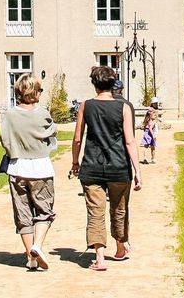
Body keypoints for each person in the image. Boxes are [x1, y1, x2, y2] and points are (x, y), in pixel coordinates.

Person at [71, 65, 142, 271]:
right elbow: (130, 141)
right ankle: (120, 248)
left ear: (94, 84)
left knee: (95, 212)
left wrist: (75, 162)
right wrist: (137, 170)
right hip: (119, 166)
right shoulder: (124, 107)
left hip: (92, 166)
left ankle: (100, 258)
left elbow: (77, 139)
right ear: (113, 84)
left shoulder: (86, 105)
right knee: (119, 209)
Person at [0, 73, 58, 271]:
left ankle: (31, 258)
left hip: (17, 167)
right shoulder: (43, 114)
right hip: (40, 167)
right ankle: (37, 246)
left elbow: (5, 141)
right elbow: (51, 136)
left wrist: (15, 152)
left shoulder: (10, 115)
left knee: (22, 213)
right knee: (43, 210)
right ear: (35, 92)